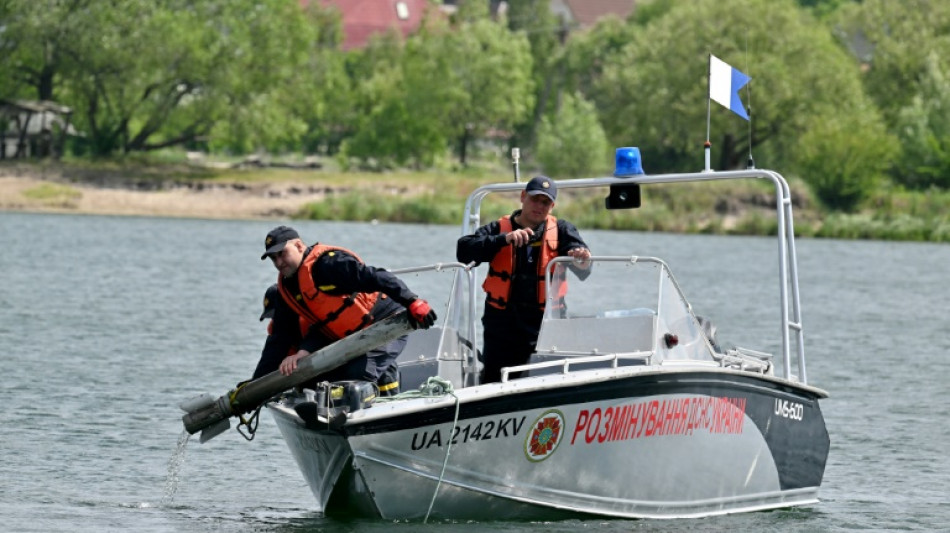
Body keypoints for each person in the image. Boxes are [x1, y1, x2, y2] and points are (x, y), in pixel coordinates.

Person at [256, 225, 436, 396]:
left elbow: (378, 277)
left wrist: (413, 302)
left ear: (298, 245)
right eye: (273, 258)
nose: (279, 262)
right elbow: (279, 338)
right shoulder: (287, 289)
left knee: (356, 373)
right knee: (311, 380)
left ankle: (362, 413)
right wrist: (254, 386)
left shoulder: (328, 264)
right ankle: (324, 413)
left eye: (282, 254)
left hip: (386, 323)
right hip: (349, 336)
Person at [456, 175, 592, 384]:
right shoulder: (499, 229)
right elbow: (463, 251)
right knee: (494, 378)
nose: (539, 206)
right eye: (535, 199)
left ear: (552, 206)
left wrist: (582, 259)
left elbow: (585, 269)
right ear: (522, 197)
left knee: (544, 378)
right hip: (502, 321)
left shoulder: (563, 230)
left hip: (545, 321)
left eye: (545, 202)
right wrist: (503, 240)